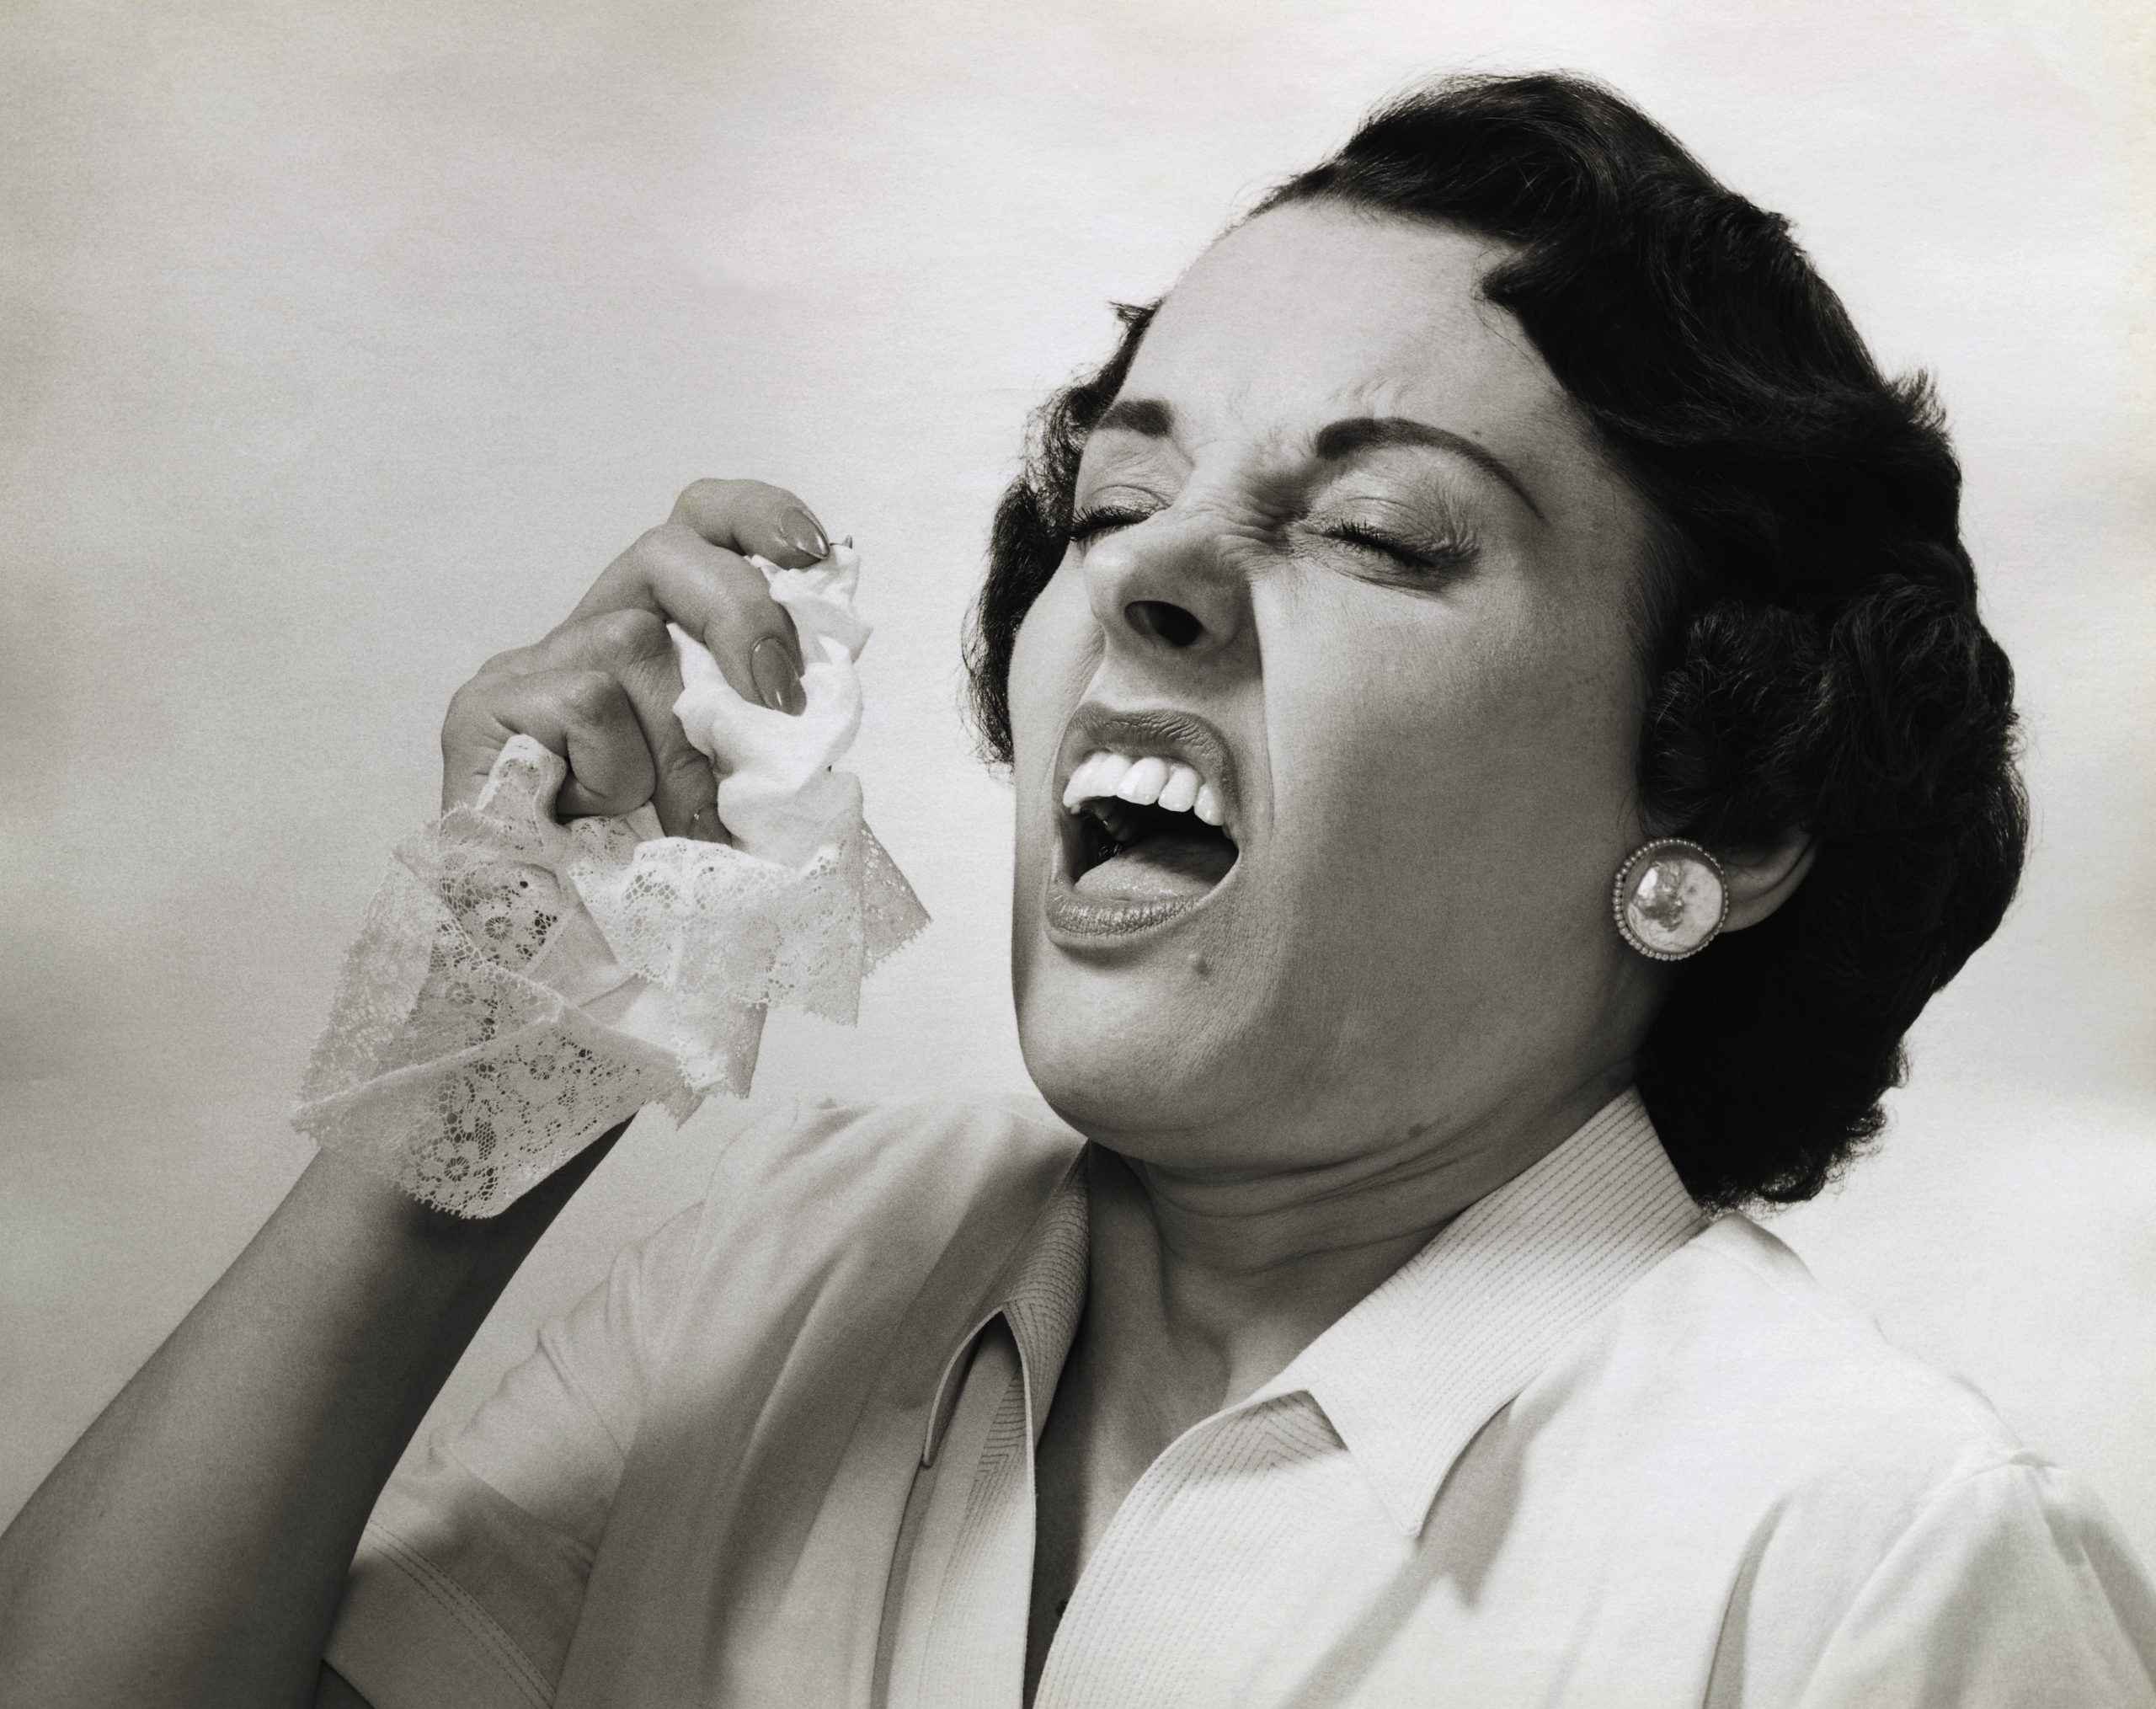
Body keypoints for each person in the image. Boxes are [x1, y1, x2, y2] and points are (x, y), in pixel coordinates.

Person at [3, 70, 2151, 1709]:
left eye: (1385, 533)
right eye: (1120, 493)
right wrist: (485, 1068)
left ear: (1722, 812)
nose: (1149, 571)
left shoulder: (1875, 1560)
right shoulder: (798, 1260)